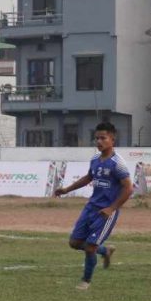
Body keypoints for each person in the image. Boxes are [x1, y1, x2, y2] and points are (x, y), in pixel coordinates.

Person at [53, 122, 133, 291]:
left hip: (106, 212)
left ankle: (85, 281)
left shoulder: (117, 163)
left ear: (112, 139)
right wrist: (66, 189)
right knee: (74, 243)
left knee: (90, 247)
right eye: (96, 138)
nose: (99, 141)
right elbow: (89, 177)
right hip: (91, 207)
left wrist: (112, 208)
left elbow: (128, 188)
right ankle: (104, 251)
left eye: (103, 138)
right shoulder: (95, 159)